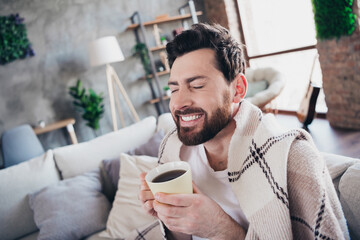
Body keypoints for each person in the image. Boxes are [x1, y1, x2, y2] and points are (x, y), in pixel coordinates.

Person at [139, 23, 349, 240]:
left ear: (237, 89)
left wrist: (220, 229)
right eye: (174, 89)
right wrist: (171, 217)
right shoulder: (173, 149)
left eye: (198, 85)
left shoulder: (292, 157)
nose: (179, 102)